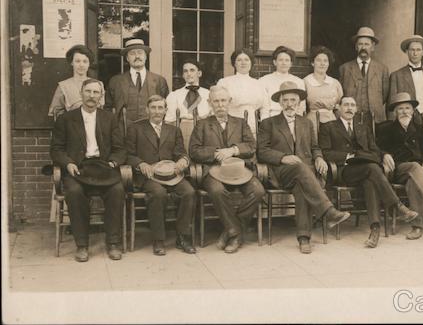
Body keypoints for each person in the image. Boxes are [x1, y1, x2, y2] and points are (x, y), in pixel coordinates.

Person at [257, 81, 351, 254]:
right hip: (280, 172)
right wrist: (283, 157)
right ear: (280, 102)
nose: (289, 104)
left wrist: (319, 158)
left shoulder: (307, 123)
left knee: (302, 187)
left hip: (304, 174)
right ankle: (329, 211)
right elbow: (261, 151)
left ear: (299, 102)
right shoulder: (268, 123)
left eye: (293, 100)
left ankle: (303, 238)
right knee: (302, 170)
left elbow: (315, 147)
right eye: (285, 100)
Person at [319, 96, 420, 248]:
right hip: (343, 171)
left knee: (370, 181)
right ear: (338, 108)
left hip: (365, 169)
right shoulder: (328, 127)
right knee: (373, 169)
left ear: (356, 109)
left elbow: (374, 150)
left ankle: (375, 230)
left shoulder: (363, 127)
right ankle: (397, 206)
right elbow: (326, 152)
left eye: (353, 105)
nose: (349, 108)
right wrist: (348, 156)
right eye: (346, 105)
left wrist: (383, 155)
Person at [50, 78, 126, 262]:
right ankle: (82, 245)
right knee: (75, 192)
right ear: (81, 93)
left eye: (96, 92)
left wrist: (114, 163)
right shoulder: (66, 119)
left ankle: (113, 243)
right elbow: (56, 149)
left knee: (117, 190)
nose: (92, 96)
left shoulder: (109, 118)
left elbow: (120, 149)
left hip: (103, 168)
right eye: (88, 91)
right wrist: (68, 163)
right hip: (77, 169)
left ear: (101, 97)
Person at [189, 85, 265, 253]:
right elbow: (194, 151)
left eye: (223, 100)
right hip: (213, 171)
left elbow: (252, 146)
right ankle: (236, 232)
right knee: (217, 191)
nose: (220, 104)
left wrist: (233, 150)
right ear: (210, 103)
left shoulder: (241, 123)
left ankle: (229, 231)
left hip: (239, 171)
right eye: (216, 101)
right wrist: (216, 153)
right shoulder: (202, 125)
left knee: (258, 191)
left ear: (230, 102)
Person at [375, 92, 423, 240]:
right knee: (413, 167)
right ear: (395, 112)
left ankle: (417, 227)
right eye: (400, 109)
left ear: (412, 111)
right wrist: (384, 154)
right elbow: (377, 148)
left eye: (407, 108)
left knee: (414, 181)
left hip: (417, 172)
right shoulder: (386, 129)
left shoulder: (419, 128)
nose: (404, 111)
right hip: (397, 169)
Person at [125, 95, 196, 256]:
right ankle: (159, 240)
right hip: (148, 175)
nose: (157, 111)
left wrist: (183, 161)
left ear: (165, 111)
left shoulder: (173, 130)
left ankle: (183, 237)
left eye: (160, 108)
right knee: (158, 193)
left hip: (171, 174)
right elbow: (128, 154)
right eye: (153, 108)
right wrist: (140, 163)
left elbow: (181, 152)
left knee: (189, 192)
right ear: (147, 110)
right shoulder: (135, 128)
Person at [106, 38, 169, 124]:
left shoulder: (159, 81)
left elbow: (166, 108)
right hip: (124, 132)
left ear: (146, 56)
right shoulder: (115, 81)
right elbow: (108, 109)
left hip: (151, 132)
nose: (137, 56)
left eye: (140, 52)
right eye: (132, 53)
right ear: (127, 58)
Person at [338, 26, 390, 128]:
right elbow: (341, 94)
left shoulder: (382, 69)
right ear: (356, 47)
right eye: (360, 44)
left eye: (367, 44)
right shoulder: (345, 68)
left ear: (373, 47)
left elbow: (384, 95)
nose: (363, 47)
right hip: (352, 118)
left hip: (375, 119)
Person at [389, 35, 423, 124]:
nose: (415, 53)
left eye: (418, 50)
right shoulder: (396, 75)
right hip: (406, 120)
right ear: (407, 52)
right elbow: (392, 103)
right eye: (412, 50)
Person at [217, 49, 269, 136]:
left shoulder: (259, 84)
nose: (243, 63)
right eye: (239, 60)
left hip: (253, 129)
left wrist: (264, 126)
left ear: (251, 63)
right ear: (234, 63)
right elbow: (218, 106)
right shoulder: (224, 82)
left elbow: (265, 108)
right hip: (230, 129)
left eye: (246, 60)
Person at [48, 45, 105, 118]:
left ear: (89, 64)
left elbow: (101, 111)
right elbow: (56, 112)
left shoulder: (98, 84)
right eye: (77, 61)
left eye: (85, 61)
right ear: (72, 63)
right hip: (71, 126)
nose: (81, 65)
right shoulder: (63, 86)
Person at [303, 45, 343, 137]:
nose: (322, 63)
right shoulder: (305, 82)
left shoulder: (335, 83)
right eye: (318, 60)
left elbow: (338, 102)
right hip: (312, 120)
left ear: (329, 63)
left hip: (331, 120)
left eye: (325, 61)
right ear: (313, 63)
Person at [258, 46, 306, 119]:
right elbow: (264, 108)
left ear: (291, 63)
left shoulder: (299, 81)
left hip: (293, 118)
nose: (284, 63)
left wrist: (298, 123)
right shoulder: (264, 80)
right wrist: (266, 124)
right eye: (280, 60)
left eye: (287, 60)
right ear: (275, 62)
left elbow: (301, 107)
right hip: (273, 118)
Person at [165, 58, 211, 124]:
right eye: (185, 71)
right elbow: (169, 121)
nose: (188, 74)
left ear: (199, 73)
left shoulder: (208, 94)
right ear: (183, 75)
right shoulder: (174, 95)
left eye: (192, 70)